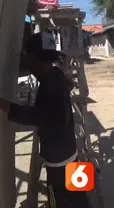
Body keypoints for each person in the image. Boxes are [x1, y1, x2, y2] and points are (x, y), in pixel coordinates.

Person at [0, 32, 92, 208]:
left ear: (36, 58)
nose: (28, 64)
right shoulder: (55, 75)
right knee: (80, 199)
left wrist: (7, 106)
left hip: (58, 164)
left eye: (28, 58)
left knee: (60, 202)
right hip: (70, 153)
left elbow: (39, 116)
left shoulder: (50, 85)